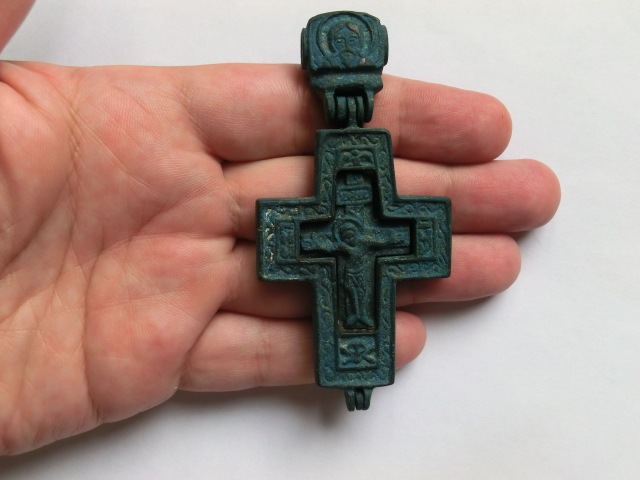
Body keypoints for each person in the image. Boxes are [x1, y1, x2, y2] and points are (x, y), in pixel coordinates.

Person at [0, 2, 560, 455]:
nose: (352, 229)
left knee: (359, 300)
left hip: (363, 274)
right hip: (348, 272)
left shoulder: (370, 229)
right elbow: (306, 239)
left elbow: (396, 237)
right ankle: (354, 357)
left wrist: (360, 239)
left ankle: (357, 358)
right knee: (352, 295)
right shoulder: (333, 232)